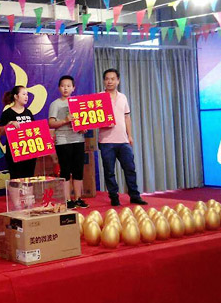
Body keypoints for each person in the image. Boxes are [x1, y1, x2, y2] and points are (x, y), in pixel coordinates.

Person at [98, 68, 147, 206]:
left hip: (123, 140)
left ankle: (135, 195)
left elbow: (127, 117)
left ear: (118, 81)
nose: (110, 81)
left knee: (130, 169)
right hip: (106, 141)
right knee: (109, 171)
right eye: (107, 79)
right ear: (104, 81)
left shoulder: (123, 97)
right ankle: (114, 197)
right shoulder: (98, 97)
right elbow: (93, 119)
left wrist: (130, 135)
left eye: (113, 79)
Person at [48, 75, 89, 209]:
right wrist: (65, 120)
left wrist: (83, 128)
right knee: (65, 170)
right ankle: (67, 200)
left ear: (73, 88)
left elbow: (85, 121)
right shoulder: (55, 104)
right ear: (59, 88)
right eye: (63, 86)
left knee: (78, 170)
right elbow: (51, 123)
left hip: (78, 139)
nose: (65, 88)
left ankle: (78, 198)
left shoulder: (78, 103)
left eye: (68, 86)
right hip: (63, 141)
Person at [0, 86, 36, 179]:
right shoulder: (7, 113)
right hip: (15, 151)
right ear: (16, 96)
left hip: (29, 150)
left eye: (27, 94)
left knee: (29, 178)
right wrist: (9, 125)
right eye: (23, 94)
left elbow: (35, 130)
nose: (26, 97)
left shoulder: (28, 113)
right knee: (16, 178)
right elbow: (1, 132)